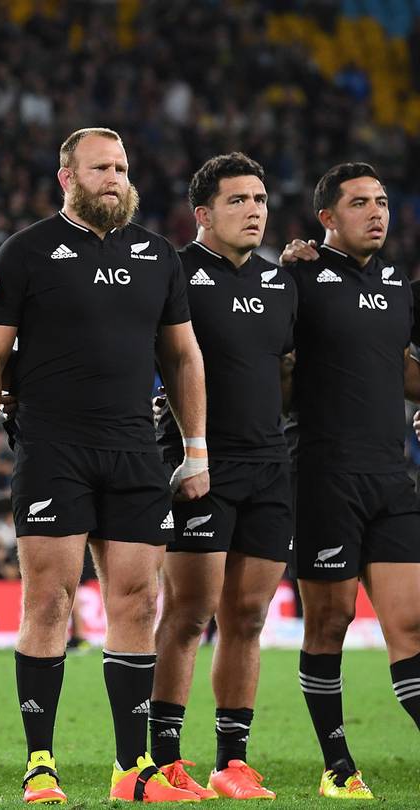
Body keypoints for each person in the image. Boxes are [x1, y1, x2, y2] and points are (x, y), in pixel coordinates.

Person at [0, 127, 210, 803]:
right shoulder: (28, 251)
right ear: (66, 175)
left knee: (138, 601)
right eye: (101, 167)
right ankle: (41, 762)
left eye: (122, 167)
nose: (115, 178)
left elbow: (183, 356)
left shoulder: (157, 255)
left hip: (133, 450)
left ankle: (134, 770)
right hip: (53, 449)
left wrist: (195, 449)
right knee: (49, 602)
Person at [146, 153, 294, 801]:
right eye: (238, 200)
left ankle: (232, 762)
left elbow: (289, 372)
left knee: (250, 615)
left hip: (270, 466)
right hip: (199, 466)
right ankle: (166, 760)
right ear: (203, 214)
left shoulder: (283, 284)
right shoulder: (172, 272)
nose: (254, 210)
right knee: (188, 614)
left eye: (260, 199)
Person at [281, 163, 420, 799]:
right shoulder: (299, 279)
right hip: (324, 474)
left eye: (383, 201)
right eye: (360, 203)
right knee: (331, 620)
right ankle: (338, 765)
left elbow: (397, 370)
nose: (377, 213)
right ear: (328, 218)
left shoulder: (399, 285)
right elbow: (261, 359)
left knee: (412, 623)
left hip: (391, 476)